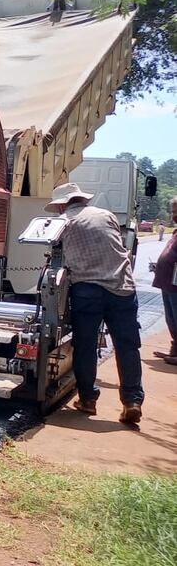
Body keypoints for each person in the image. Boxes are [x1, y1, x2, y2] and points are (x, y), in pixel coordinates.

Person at [46, 182, 144, 425]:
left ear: (62, 205)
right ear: (81, 199)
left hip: (87, 290)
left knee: (86, 346)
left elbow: (55, 257)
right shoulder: (106, 215)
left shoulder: (63, 222)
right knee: (127, 346)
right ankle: (132, 401)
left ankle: (88, 399)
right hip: (121, 287)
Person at [153, 197, 177, 366]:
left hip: (175, 284)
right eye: (173, 211)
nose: (174, 215)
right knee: (171, 319)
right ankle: (175, 351)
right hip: (168, 282)